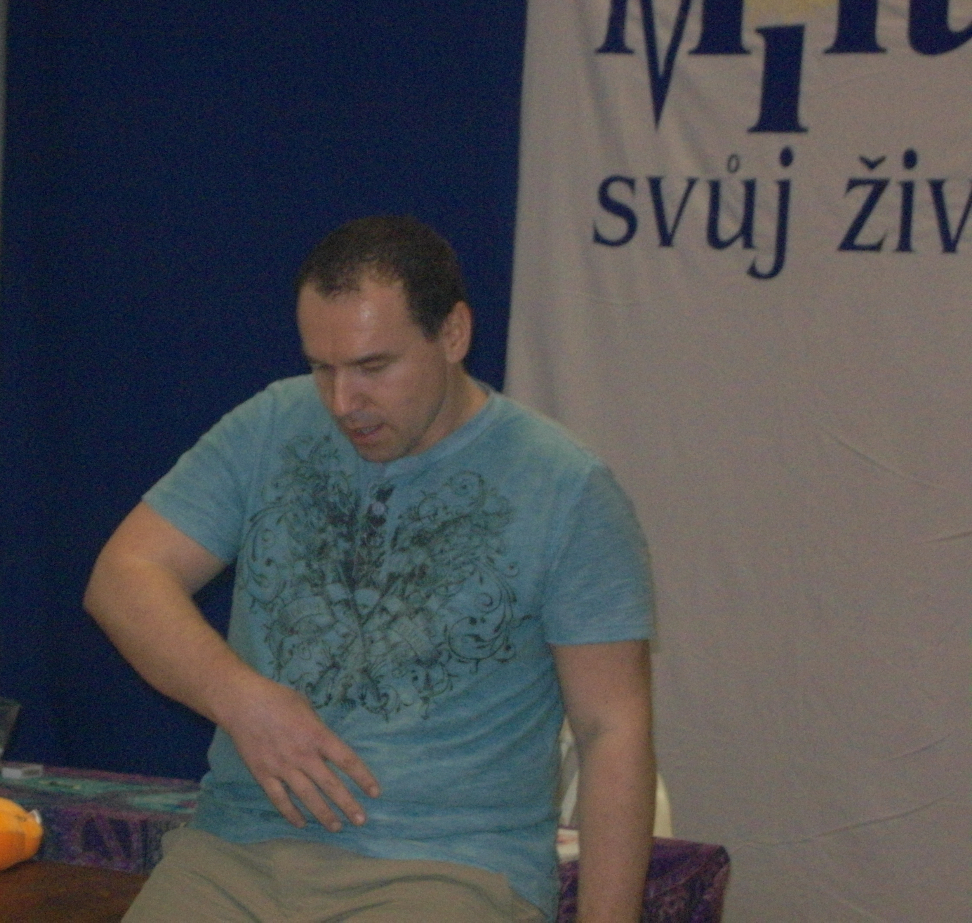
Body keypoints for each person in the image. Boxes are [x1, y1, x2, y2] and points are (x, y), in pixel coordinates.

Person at [84, 215, 656, 922]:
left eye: (373, 368)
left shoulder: (565, 488)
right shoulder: (272, 423)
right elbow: (124, 575)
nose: (342, 402)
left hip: (445, 869)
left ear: (453, 334)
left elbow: (611, 728)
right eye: (321, 368)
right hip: (235, 849)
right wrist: (240, 698)